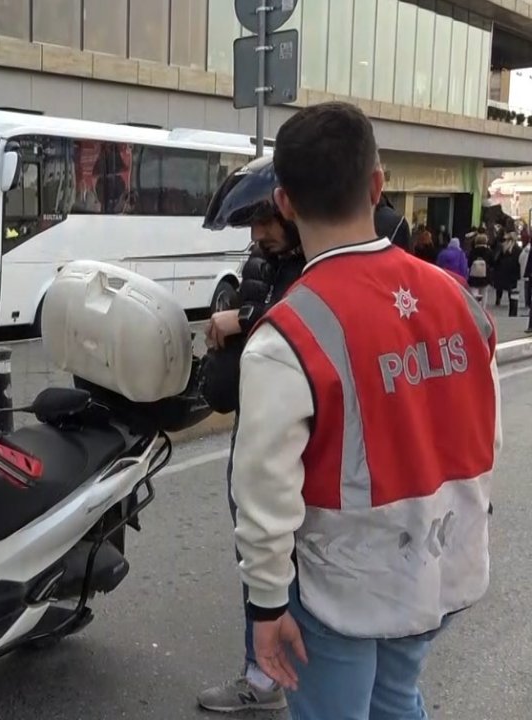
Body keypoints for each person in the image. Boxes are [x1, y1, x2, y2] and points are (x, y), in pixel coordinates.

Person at [232, 101, 499, 719]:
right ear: (377, 185)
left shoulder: (289, 333)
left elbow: (264, 493)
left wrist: (266, 608)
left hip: (341, 584)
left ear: (285, 204)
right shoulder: (459, 301)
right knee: (397, 699)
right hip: (441, 564)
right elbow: (488, 437)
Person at [195, 156, 304, 714]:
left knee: (276, 551)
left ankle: (270, 677)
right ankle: (267, 671)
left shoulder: (312, 267)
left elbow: (306, 323)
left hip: (291, 432)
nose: (259, 235)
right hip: (250, 420)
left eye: (268, 222)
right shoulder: (264, 263)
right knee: (257, 549)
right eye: (253, 226)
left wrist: (244, 317)